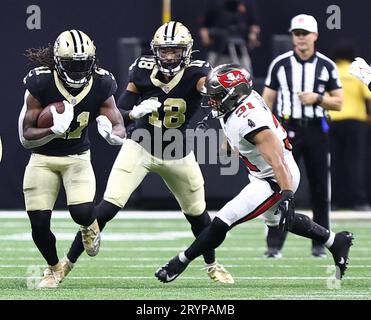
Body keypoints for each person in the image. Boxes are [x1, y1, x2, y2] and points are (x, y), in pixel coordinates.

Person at [62, 21, 234, 284]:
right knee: (106, 208)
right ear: (155, 50)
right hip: (140, 146)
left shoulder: (198, 72)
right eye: (164, 51)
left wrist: (216, 96)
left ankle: (212, 265)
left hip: (178, 152)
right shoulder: (141, 70)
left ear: (186, 51)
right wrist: (131, 114)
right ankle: (65, 264)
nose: (169, 56)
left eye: (175, 51)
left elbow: (211, 94)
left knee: (199, 216)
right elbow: (118, 112)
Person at [154, 64, 353, 283]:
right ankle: (335, 241)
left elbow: (277, 160)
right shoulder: (236, 103)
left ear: (234, 94)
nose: (212, 101)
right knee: (276, 220)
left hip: (275, 177)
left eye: (217, 96)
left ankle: (179, 262)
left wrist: (286, 193)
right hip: (262, 172)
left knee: (222, 221)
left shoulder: (250, 120)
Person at [18, 29, 126, 288]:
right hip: (42, 157)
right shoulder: (40, 82)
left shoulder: (101, 82)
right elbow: (26, 136)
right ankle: (54, 268)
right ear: (57, 62)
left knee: (81, 211)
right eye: (71, 65)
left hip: (77, 157)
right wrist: (50, 130)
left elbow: (119, 124)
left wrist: (114, 135)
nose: (78, 71)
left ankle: (89, 225)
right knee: (39, 224)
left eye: (83, 65)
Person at [262, 14, 343, 258]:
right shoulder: (280, 63)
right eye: (296, 33)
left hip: (317, 129)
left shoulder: (327, 65)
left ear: (315, 36)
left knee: (320, 188)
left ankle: (320, 242)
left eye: (304, 33)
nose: (300, 38)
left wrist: (317, 98)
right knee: (281, 185)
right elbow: (267, 100)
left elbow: (339, 103)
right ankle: (274, 244)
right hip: (287, 129)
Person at [329, 43, 371, 210]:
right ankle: (358, 201)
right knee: (355, 162)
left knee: (335, 163)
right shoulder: (358, 70)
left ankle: (335, 201)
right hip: (355, 122)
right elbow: (368, 97)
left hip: (333, 120)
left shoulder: (331, 70)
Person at [199, 0, 260, 73]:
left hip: (240, 52)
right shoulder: (215, 4)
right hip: (218, 50)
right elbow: (205, 26)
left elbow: (254, 24)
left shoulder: (246, 4)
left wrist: (253, 35)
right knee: (210, 75)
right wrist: (206, 38)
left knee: (246, 75)